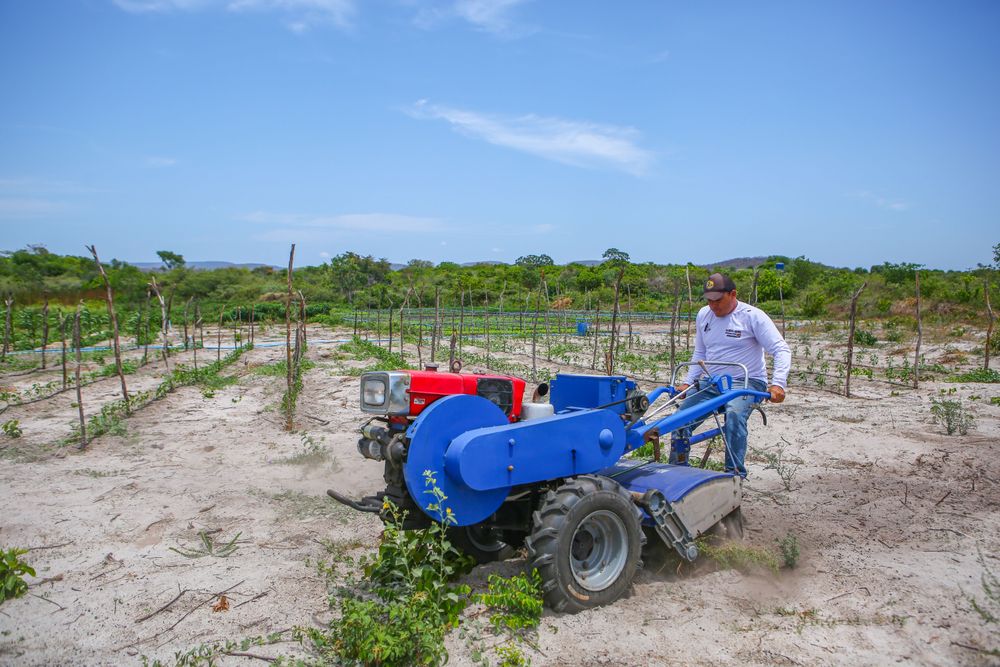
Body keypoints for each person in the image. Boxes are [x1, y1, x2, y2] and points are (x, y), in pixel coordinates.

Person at [673, 272, 791, 477]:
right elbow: (700, 353)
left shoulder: (752, 316)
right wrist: (687, 382)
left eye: (718, 301)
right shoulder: (704, 315)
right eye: (709, 301)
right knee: (680, 419)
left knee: (735, 415)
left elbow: (781, 349)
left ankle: (734, 475)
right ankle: (676, 470)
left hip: (746, 381)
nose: (713, 306)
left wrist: (778, 384)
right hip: (712, 382)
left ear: (733, 294)